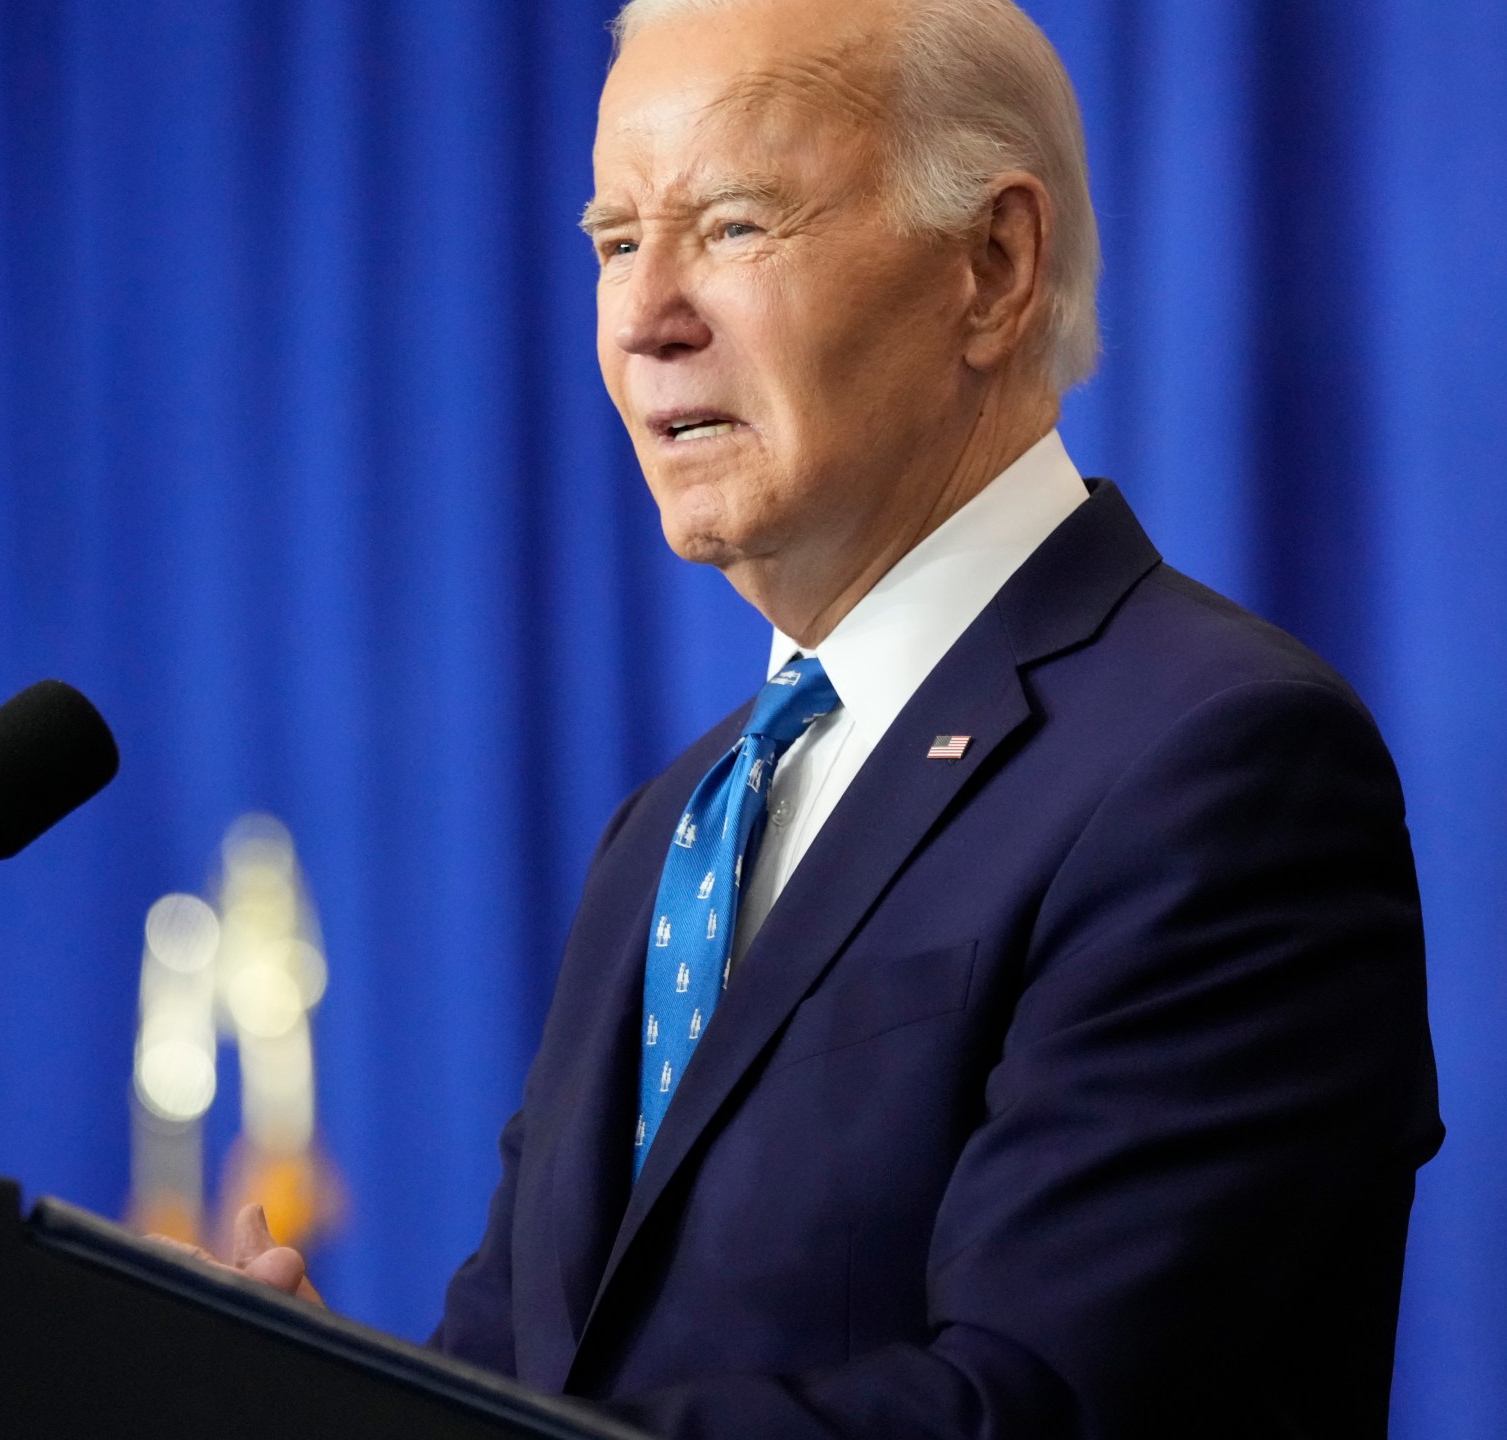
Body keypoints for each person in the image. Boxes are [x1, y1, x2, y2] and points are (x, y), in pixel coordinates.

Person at [181, 0, 1442, 1433]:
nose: (647, 318)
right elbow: (534, 1385)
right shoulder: (671, 828)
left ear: (992, 267)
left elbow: (1044, 1407)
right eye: (612, 242)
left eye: (731, 226)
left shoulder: (1214, 760)